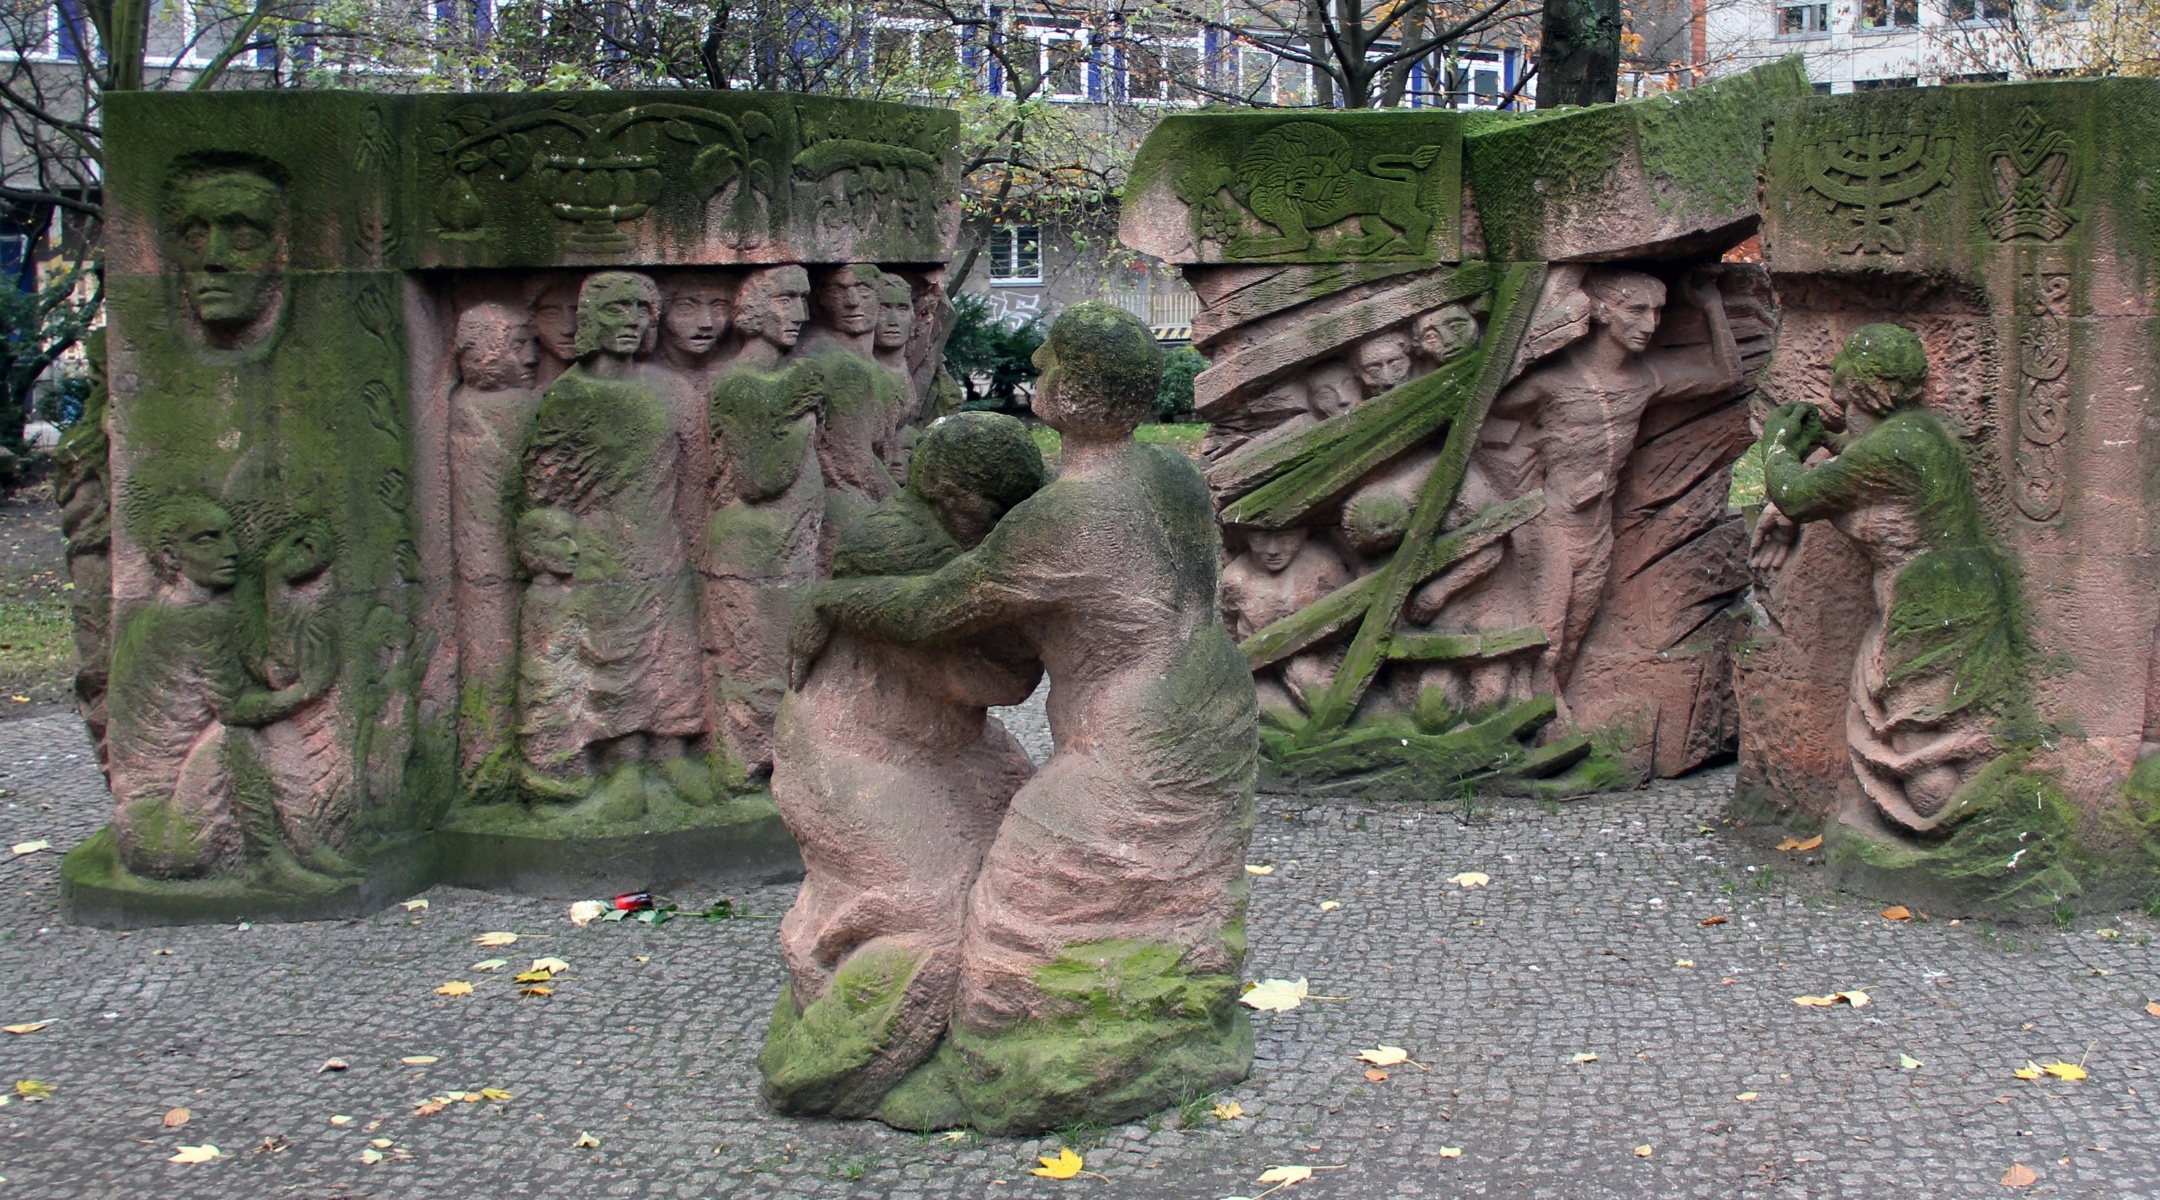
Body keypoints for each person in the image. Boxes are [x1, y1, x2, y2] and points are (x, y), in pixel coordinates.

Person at [788, 303, 1258, 1134]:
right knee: (1165, 883)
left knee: (1029, 892)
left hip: (1137, 729)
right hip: (1217, 702)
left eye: (1045, 367)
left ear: (1071, 392)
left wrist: (827, 600)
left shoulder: (1067, 513)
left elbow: (936, 609)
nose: (1034, 370)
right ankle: (1168, 1022)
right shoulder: (1172, 475)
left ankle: (1007, 1071)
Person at [763, 412, 1047, 1118]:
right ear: (949, 498)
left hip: (951, 748)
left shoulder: (976, 551)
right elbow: (993, 677)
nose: (995, 528)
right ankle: (837, 1063)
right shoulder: (892, 546)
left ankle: (1000, 1034)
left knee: (1042, 865)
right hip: (852, 752)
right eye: (986, 512)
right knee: (932, 911)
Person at [1753, 324, 2020, 831]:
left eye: (1840, 364)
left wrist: (1779, 445)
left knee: (1919, 730)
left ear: (1855, 380)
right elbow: (1854, 457)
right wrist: (1827, 442)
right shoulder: (1911, 431)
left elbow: (1799, 494)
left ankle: (1948, 829)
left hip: (1933, 599)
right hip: (1942, 588)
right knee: (1915, 712)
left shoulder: (1896, 447)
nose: (1831, 371)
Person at [519, 271, 708, 814]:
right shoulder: (570, 396)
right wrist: (550, 544)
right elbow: (544, 485)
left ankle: (673, 751)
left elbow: (697, 475)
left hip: (665, 541)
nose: (630, 322)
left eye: (640, 312)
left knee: (671, 649)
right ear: (591, 319)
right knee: (615, 654)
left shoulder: (671, 389)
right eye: (617, 310)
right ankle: (625, 760)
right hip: (600, 548)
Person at [1220, 526, 1352, 721]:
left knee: (1310, 683)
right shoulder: (1236, 578)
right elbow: (1230, 624)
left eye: (1285, 538)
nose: (1273, 550)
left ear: (1303, 532)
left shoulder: (1322, 566)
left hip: (1317, 653)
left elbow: (1350, 613)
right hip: (1259, 664)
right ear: (1247, 535)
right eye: (1261, 538)